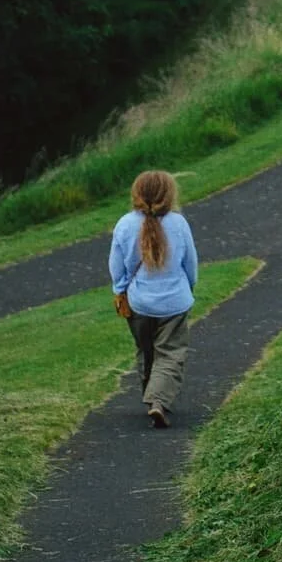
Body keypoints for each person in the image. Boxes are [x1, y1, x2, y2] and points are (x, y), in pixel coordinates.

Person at [109, 169, 199, 428]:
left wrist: (121, 290)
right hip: (174, 302)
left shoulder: (125, 224)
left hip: (139, 302)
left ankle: (151, 397)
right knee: (170, 353)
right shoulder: (178, 223)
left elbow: (117, 267)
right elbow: (189, 262)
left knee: (147, 350)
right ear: (169, 194)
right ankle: (158, 401)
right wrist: (189, 286)